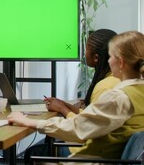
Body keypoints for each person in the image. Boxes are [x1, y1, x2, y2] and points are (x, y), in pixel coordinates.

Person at [8, 30, 144, 160]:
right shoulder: (138, 90)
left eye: (111, 56)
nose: (108, 61)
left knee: (36, 152)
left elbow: (78, 128)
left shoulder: (118, 97)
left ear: (120, 62)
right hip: (112, 157)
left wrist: (28, 121)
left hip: (93, 159)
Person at [45, 29, 120, 117]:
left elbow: (89, 126)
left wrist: (62, 109)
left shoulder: (106, 86)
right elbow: (90, 116)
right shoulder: (115, 79)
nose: (84, 55)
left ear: (96, 57)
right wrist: (63, 105)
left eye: (86, 50)